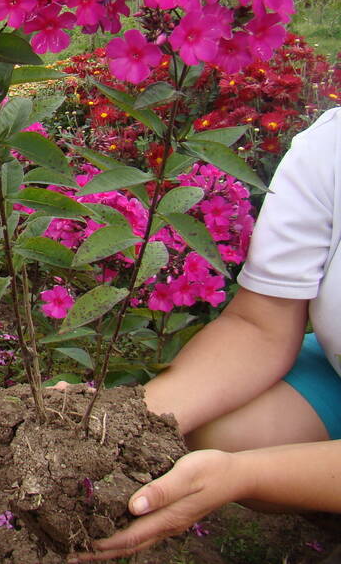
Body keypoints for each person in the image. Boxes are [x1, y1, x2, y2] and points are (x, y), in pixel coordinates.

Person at [71, 107, 341, 562]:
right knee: (224, 430)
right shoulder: (331, 147)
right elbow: (261, 323)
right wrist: (120, 423)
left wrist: (243, 475)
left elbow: (241, 472)